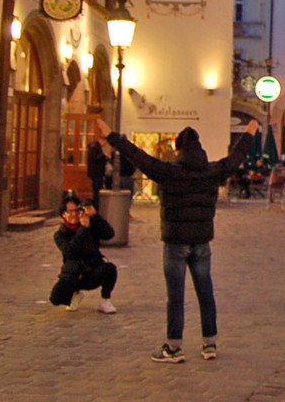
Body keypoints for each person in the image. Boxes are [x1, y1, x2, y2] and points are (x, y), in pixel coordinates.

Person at [96, 116, 259, 364]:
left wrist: (111, 136)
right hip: (202, 242)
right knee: (206, 292)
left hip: (175, 242)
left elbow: (138, 156)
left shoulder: (169, 172)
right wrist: (249, 133)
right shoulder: (212, 171)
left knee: (176, 295)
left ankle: (174, 347)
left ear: (178, 148)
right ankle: (210, 343)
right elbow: (236, 158)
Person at [49, 194, 118, 314]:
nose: (74, 214)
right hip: (73, 273)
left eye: (76, 210)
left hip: (93, 269)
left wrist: (95, 216)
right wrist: (83, 229)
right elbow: (71, 251)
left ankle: (105, 300)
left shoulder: (91, 224)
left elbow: (109, 234)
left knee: (110, 269)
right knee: (56, 298)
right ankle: (75, 294)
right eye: (69, 211)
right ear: (63, 214)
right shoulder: (60, 234)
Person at [86, 139, 111, 204]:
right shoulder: (95, 147)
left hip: (96, 173)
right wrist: (105, 156)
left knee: (97, 189)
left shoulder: (95, 147)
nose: (105, 144)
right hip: (96, 173)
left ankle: (97, 202)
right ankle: (97, 203)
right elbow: (96, 158)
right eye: (105, 142)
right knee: (97, 189)